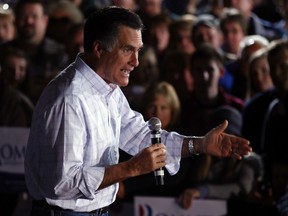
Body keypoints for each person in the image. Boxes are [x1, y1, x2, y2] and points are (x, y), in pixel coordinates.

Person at [24, 6, 252, 216]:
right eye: (127, 50)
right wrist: (132, 168)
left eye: (138, 51)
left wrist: (200, 144)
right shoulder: (70, 98)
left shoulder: (107, 89)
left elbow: (142, 136)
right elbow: (64, 183)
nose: (136, 62)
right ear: (99, 48)